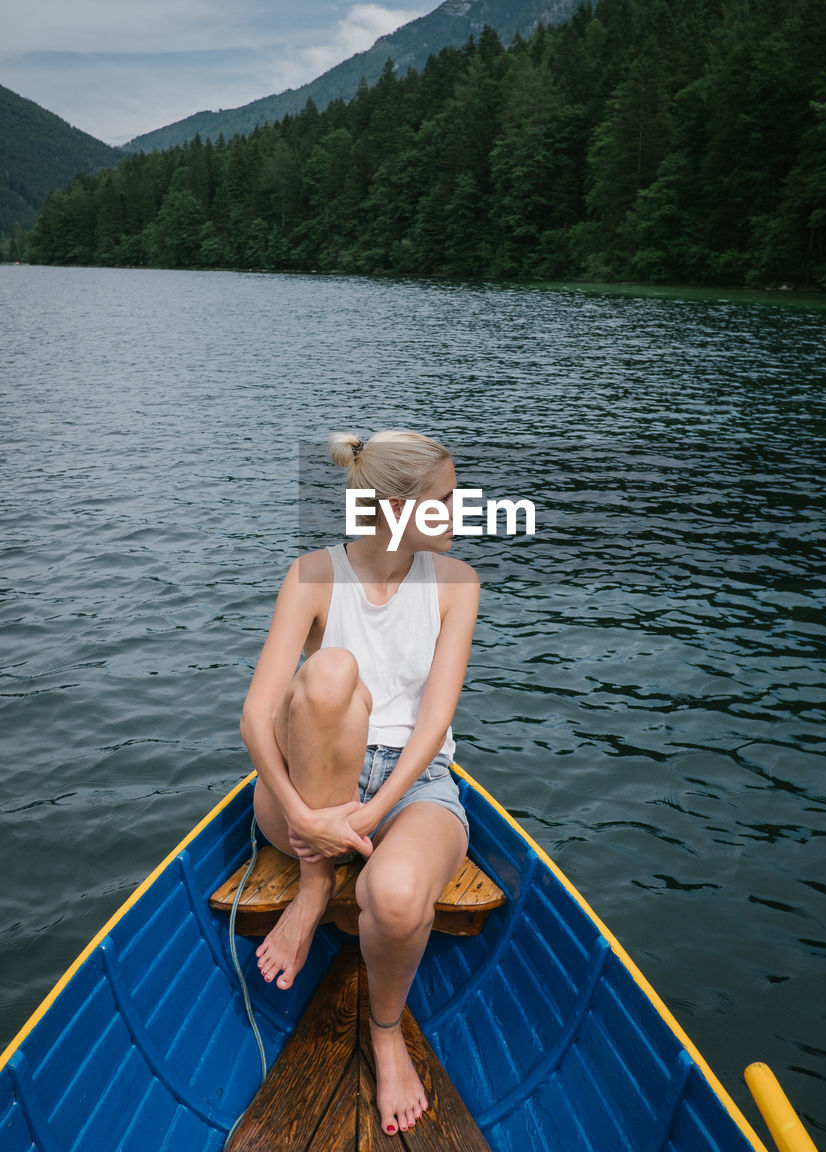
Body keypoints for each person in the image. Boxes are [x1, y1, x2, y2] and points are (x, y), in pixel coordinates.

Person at [239, 429, 479, 1138]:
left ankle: (384, 1032)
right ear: (394, 508)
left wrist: (370, 813)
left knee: (399, 897)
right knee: (332, 671)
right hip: (304, 784)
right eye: (443, 500)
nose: (458, 512)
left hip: (409, 784)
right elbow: (256, 720)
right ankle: (314, 889)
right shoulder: (312, 574)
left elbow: (433, 724)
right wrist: (305, 819)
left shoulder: (456, 585)